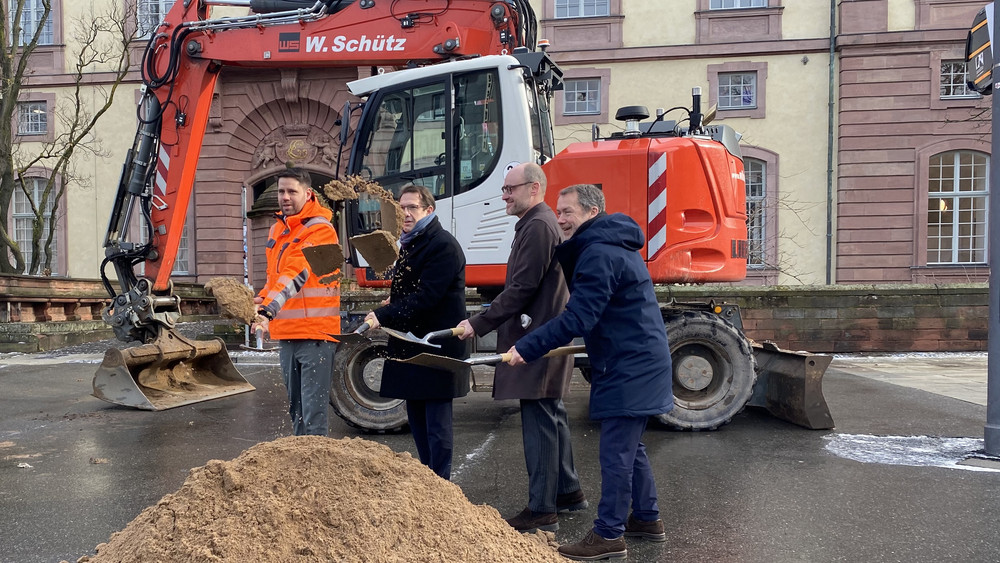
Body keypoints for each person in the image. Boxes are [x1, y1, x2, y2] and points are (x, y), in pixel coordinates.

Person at [506, 184, 674, 561]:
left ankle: (608, 536)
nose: (560, 219)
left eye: (568, 212)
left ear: (592, 213)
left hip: (629, 366)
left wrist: (527, 347)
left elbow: (579, 316)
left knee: (616, 454)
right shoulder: (608, 246)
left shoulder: (598, 253)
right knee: (633, 449)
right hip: (635, 360)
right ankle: (647, 519)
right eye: (559, 211)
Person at [455, 162, 586, 533]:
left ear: (534, 188)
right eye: (504, 189)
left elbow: (521, 289)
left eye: (510, 189)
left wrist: (477, 323)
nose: (504, 196)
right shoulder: (537, 223)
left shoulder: (539, 226)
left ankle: (543, 509)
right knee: (552, 413)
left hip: (538, 338)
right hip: (543, 334)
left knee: (540, 421)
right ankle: (569, 491)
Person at [364, 183, 468, 480]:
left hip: (436, 348)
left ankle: (441, 484)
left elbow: (427, 298)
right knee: (417, 421)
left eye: (412, 207)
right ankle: (428, 480)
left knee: (436, 424)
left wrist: (382, 314)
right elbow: (414, 291)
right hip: (412, 345)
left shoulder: (442, 244)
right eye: (401, 207)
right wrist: (393, 301)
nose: (405, 213)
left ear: (429, 210)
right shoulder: (410, 242)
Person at [252, 167, 341, 436]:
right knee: (297, 413)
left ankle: (317, 470)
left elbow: (297, 274)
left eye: (292, 191)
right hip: (288, 333)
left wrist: (268, 310)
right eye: (281, 191)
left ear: (308, 193)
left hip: (316, 334)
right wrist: (257, 302)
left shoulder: (321, 230)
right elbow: (274, 279)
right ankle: (300, 470)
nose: (285, 197)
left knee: (313, 415)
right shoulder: (278, 230)